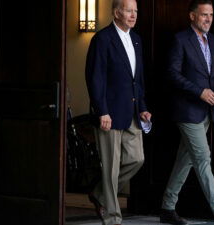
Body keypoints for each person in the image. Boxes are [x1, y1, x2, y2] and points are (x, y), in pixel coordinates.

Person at [160, 0, 214, 225]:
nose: (208, 19)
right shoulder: (180, 40)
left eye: (211, 15)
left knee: (185, 160)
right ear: (192, 16)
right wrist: (200, 92)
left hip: (207, 112)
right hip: (186, 110)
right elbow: (172, 75)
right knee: (203, 157)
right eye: (204, 15)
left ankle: (167, 207)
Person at [85, 0, 151, 224]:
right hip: (109, 114)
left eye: (136, 11)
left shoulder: (136, 39)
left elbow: (137, 80)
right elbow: (95, 78)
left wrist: (142, 107)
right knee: (110, 168)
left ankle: (101, 193)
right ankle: (112, 217)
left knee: (137, 159)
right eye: (129, 11)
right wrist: (101, 110)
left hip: (131, 111)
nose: (134, 15)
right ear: (116, 12)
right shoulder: (102, 39)